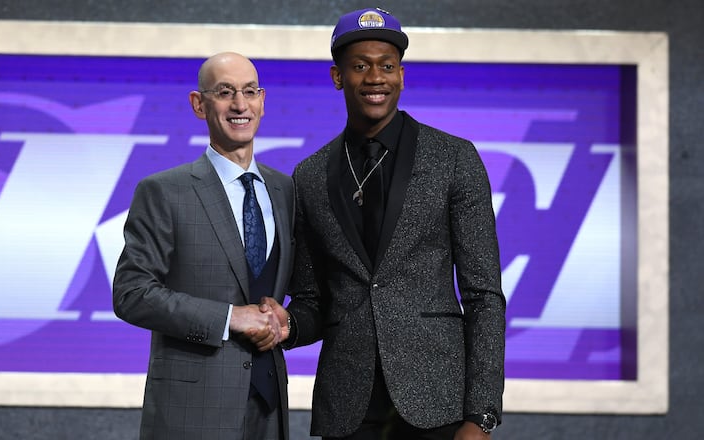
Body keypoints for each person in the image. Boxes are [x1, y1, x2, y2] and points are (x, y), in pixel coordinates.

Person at [264, 7, 505, 440]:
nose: (375, 77)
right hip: (348, 405)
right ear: (338, 77)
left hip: (438, 403)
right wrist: (289, 325)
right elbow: (312, 298)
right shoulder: (311, 174)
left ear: (402, 75)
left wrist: (481, 415)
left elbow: (484, 295)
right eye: (360, 66)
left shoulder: (454, 159)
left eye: (387, 66)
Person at [113, 52, 294, 440]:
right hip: (191, 411)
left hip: (269, 409)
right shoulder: (164, 191)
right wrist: (230, 317)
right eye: (225, 92)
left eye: (249, 91)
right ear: (199, 104)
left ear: (263, 101)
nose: (240, 105)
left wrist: (287, 323)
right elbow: (131, 293)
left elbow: (305, 289)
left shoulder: (286, 191)